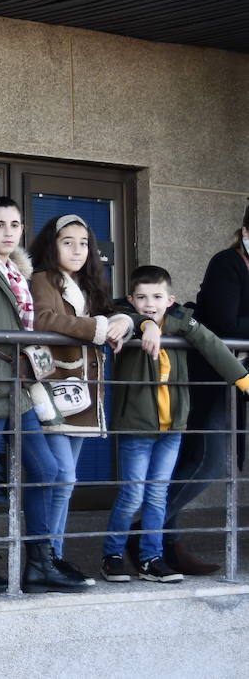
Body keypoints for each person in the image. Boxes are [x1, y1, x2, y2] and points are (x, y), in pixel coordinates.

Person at [0, 196, 86, 595]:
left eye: (15, 225)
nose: (8, 231)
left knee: (45, 471)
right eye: (0, 224)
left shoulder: (15, 273)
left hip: (14, 386)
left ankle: (39, 563)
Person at [100, 266, 249, 583]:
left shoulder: (181, 320)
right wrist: (144, 323)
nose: (149, 303)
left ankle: (150, 558)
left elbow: (212, 346)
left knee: (157, 496)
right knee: (132, 496)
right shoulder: (124, 316)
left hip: (172, 429)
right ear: (131, 298)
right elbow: (118, 318)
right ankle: (112, 555)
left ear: (171, 299)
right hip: (136, 428)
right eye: (141, 297)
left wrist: (245, 382)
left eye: (156, 297)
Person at [28, 214, 133, 586]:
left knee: (65, 482)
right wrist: (100, 329)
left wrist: (125, 321)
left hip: (84, 394)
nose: (77, 249)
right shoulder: (42, 279)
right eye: (67, 241)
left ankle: (54, 555)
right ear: (52, 245)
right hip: (55, 387)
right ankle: (47, 558)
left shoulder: (88, 284)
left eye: (84, 243)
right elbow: (43, 318)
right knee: (61, 477)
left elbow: (117, 313)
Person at [161, 204, 249, 576]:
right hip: (215, 379)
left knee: (208, 459)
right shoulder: (226, 263)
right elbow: (227, 323)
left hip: (238, 381)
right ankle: (143, 528)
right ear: (245, 229)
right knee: (206, 460)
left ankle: (162, 539)